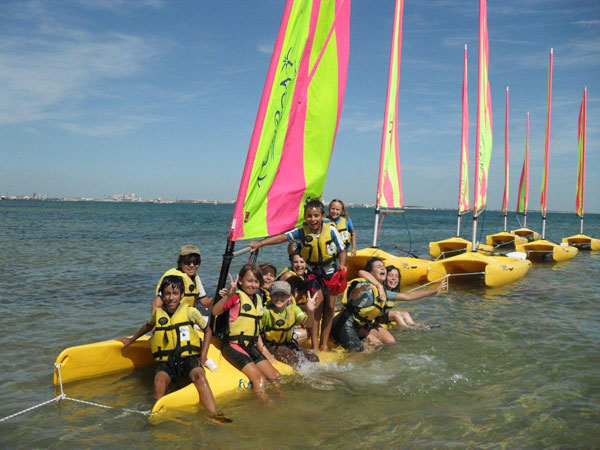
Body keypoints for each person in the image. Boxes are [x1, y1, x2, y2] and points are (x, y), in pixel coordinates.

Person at [119, 276, 230, 422]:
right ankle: (157, 414)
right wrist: (131, 339)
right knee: (159, 380)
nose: (171, 298)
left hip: (189, 359)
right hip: (167, 362)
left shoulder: (190, 312)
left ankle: (214, 414)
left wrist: (203, 356)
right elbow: (147, 326)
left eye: (175, 294)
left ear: (182, 295)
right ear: (162, 295)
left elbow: (208, 331)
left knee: (200, 377)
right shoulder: (157, 313)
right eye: (167, 294)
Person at [248, 199, 347, 352]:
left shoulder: (331, 230)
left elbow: (341, 249)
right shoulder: (301, 231)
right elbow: (282, 237)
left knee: (330, 308)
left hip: (331, 273)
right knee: (316, 308)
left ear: (322, 216)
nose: (312, 219)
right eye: (309, 216)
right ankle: (315, 346)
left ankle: (324, 344)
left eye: (316, 216)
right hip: (314, 274)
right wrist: (260, 244)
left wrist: (342, 265)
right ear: (305, 217)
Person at [331, 258, 445, 352]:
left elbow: (408, 296)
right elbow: (353, 295)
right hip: (345, 324)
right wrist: (361, 289)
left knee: (389, 342)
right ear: (371, 273)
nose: (383, 268)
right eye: (378, 266)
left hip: (361, 324)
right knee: (365, 352)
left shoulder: (384, 292)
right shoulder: (364, 285)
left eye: (383, 266)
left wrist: (433, 292)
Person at [212, 264, 280, 401]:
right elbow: (215, 311)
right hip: (233, 346)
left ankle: (281, 399)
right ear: (241, 280)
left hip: (250, 346)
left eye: (256, 281)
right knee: (259, 378)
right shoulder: (235, 296)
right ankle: (268, 406)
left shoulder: (259, 299)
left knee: (276, 376)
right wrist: (228, 295)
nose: (253, 285)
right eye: (249, 281)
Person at [152, 244, 215, 366]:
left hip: (188, 320)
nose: (192, 265)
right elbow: (157, 302)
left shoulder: (196, 278)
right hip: (172, 322)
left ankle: (200, 356)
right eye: (187, 262)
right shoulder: (172, 277)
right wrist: (157, 325)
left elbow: (205, 302)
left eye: (195, 262)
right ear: (180, 262)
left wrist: (223, 295)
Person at [364, 265, 447, 329]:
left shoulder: (391, 291)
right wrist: (433, 291)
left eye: (396, 276)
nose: (394, 278)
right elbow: (407, 296)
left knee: (405, 313)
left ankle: (419, 326)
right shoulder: (382, 291)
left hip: (381, 316)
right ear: (384, 277)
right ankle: (408, 330)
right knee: (396, 314)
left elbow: (408, 295)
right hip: (373, 319)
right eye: (390, 275)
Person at [260, 281, 319, 366]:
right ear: (270, 296)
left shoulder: (293, 309)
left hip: (288, 343)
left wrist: (310, 312)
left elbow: (308, 325)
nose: (279, 298)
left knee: (313, 358)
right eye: (276, 294)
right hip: (270, 346)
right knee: (291, 356)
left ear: (289, 297)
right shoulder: (265, 312)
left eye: (283, 295)